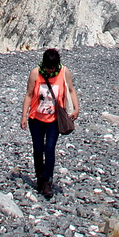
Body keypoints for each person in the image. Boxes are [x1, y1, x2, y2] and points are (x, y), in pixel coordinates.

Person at [20, 48, 78, 198]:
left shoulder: (64, 72)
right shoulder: (35, 73)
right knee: (38, 149)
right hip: (36, 119)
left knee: (50, 149)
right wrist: (24, 116)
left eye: (52, 68)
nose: (49, 70)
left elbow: (71, 90)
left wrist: (76, 108)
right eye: (47, 67)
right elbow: (28, 95)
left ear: (57, 65)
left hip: (54, 119)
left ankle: (48, 182)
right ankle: (40, 178)